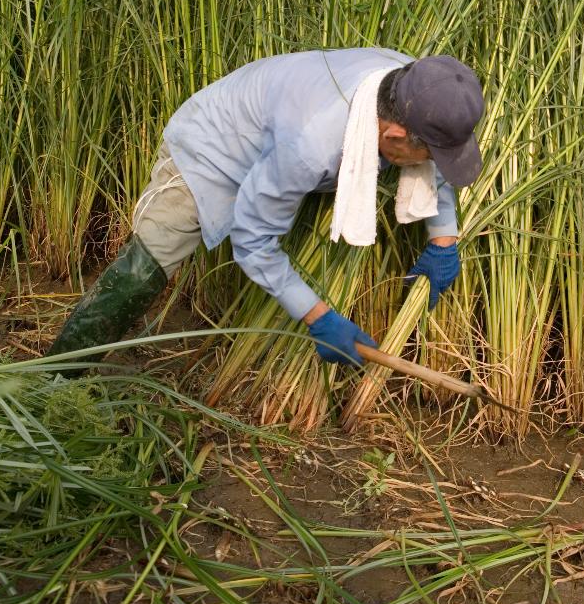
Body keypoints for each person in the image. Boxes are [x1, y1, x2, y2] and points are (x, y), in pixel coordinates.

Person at [45, 48, 484, 372]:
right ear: (392, 136)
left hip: (278, 133)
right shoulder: (312, 146)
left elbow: (435, 153)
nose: (435, 164)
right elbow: (253, 241)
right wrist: (319, 317)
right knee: (148, 266)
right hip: (212, 148)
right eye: (428, 154)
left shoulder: (418, 88)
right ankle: (55, 378)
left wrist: (443, 238)